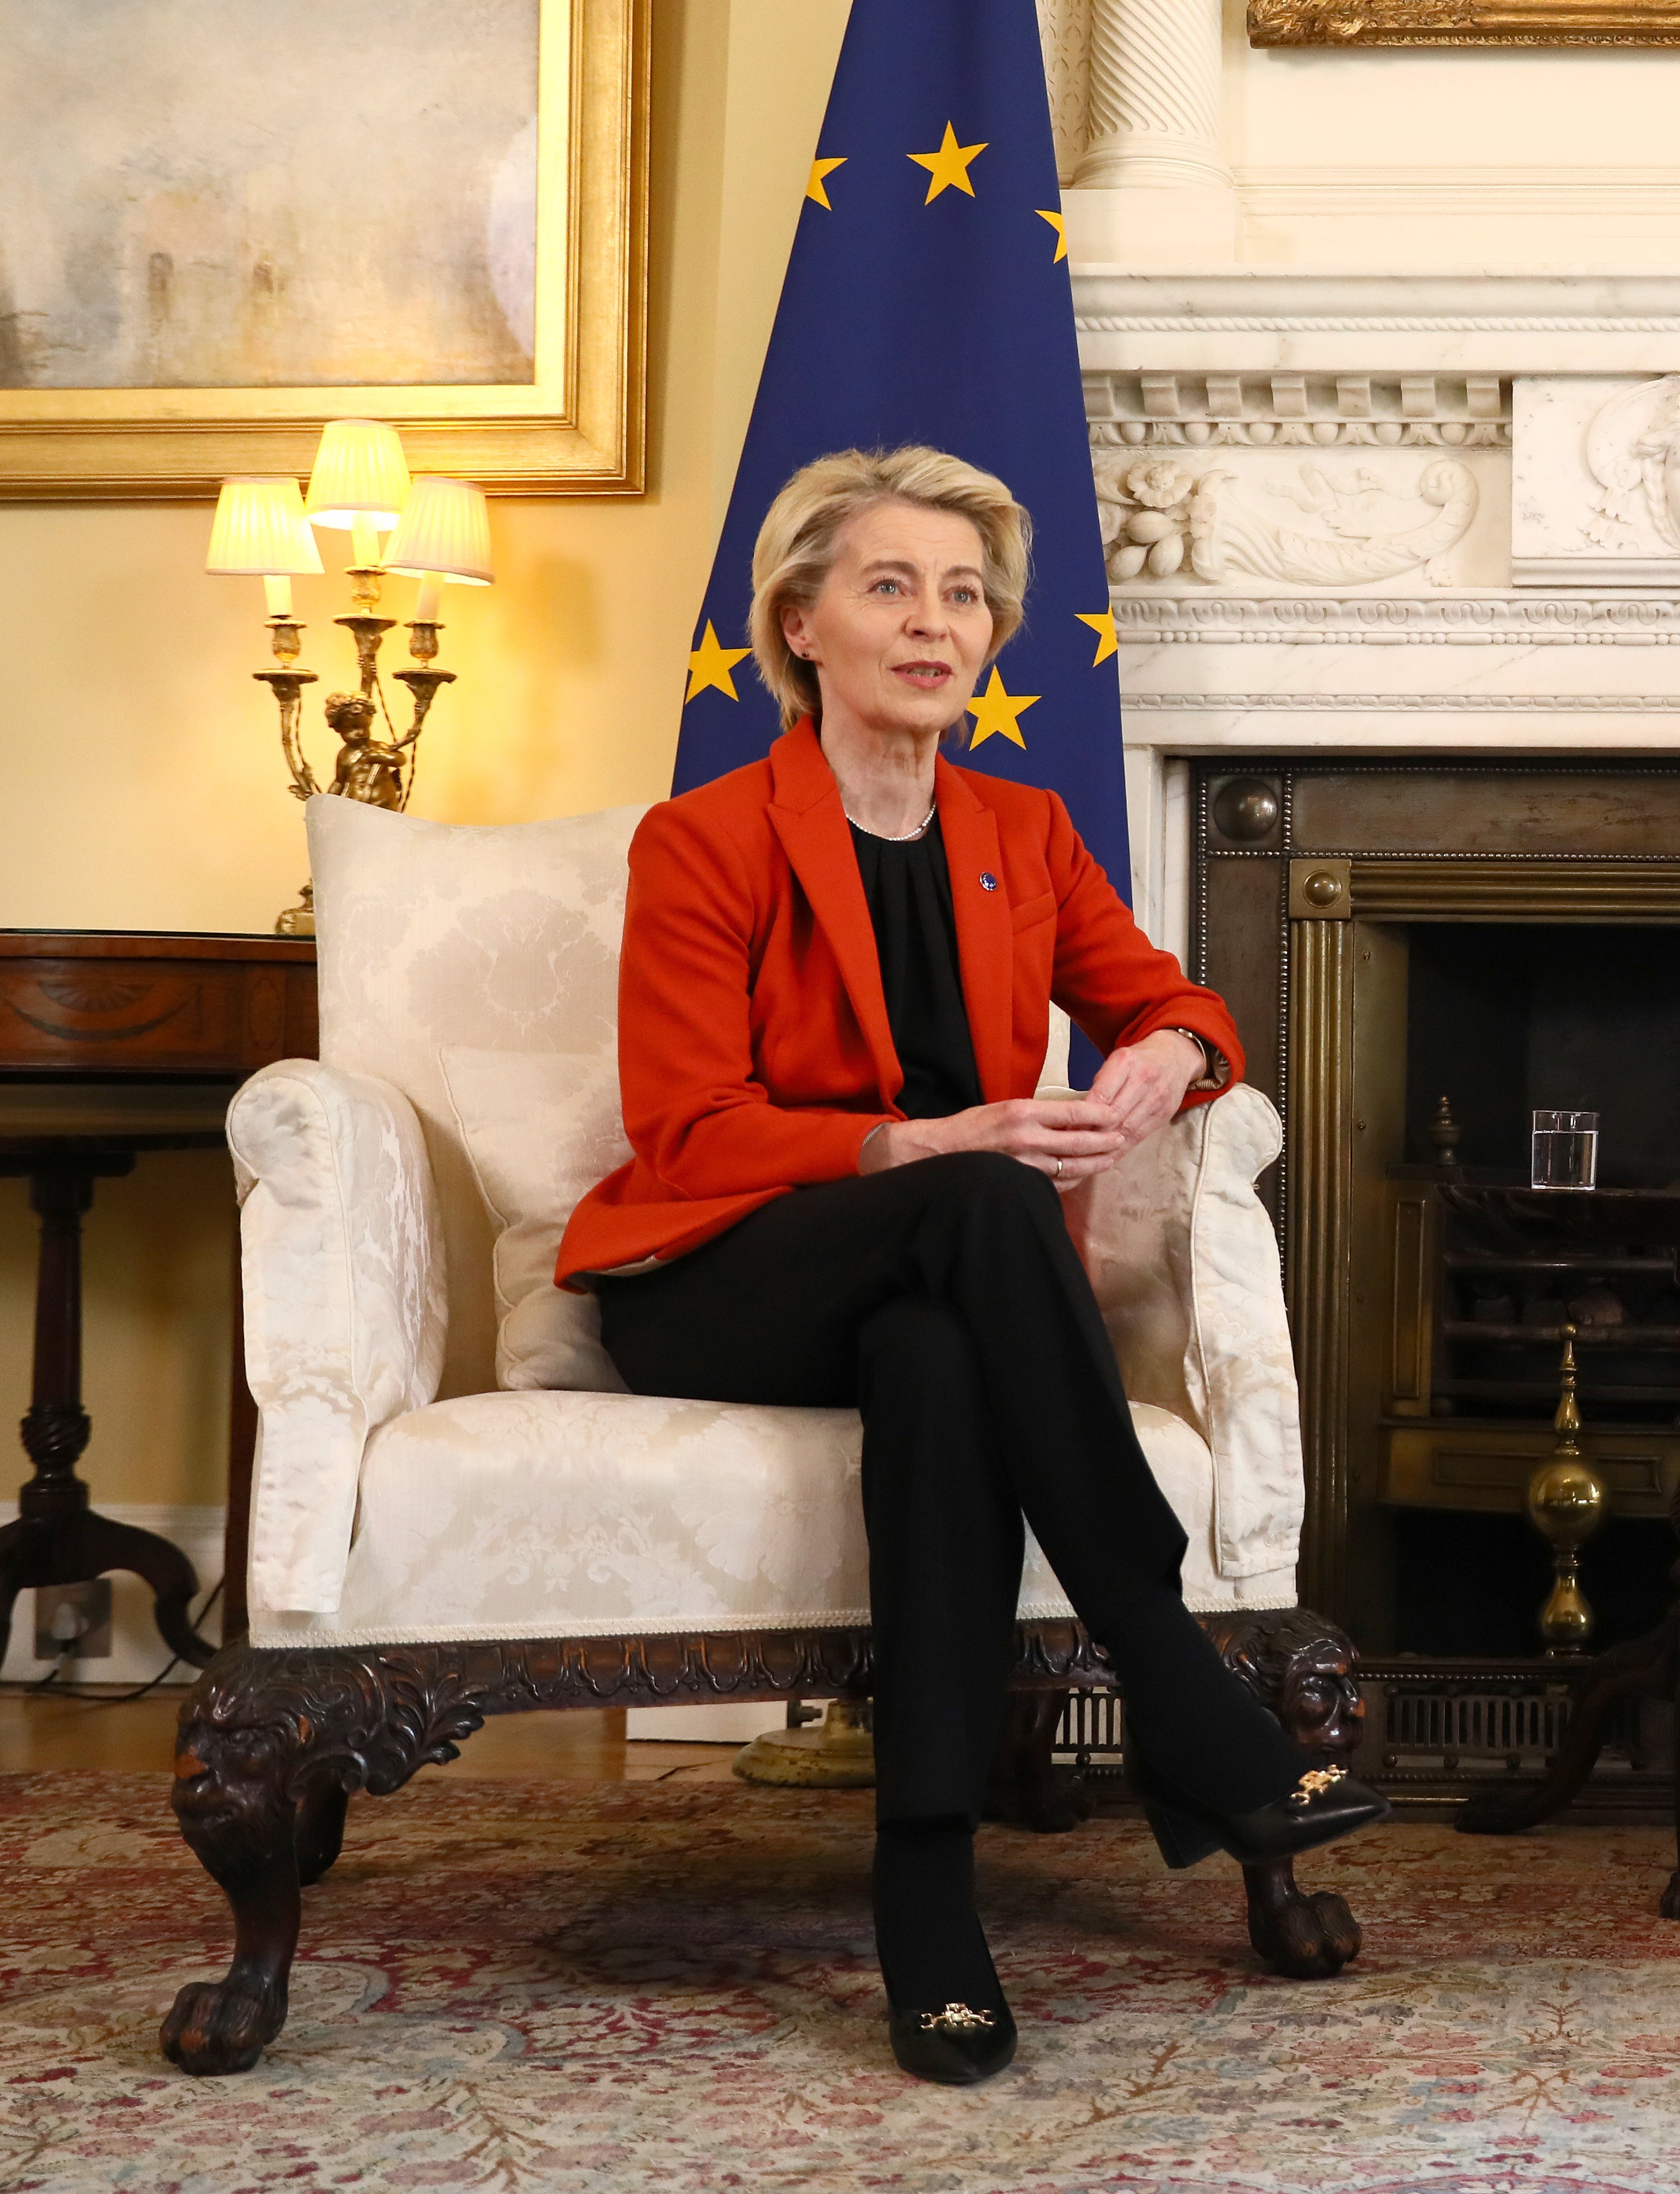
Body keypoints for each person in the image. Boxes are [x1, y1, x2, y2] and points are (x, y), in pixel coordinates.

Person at [557, 445, 1385, 2086]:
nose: (937, 624)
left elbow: (1183, 1008)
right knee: (987, 1196)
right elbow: (686, 1130)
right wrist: (919, 1146)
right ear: (800, 624)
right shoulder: (707, 840)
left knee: (941, 1358)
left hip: (939, 1292)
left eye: (965, 595)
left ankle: (925, 1896)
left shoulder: (1024, 829)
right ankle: (1170, 1677)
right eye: (889, 586)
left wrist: (1163, 1064)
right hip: (725, 1275)